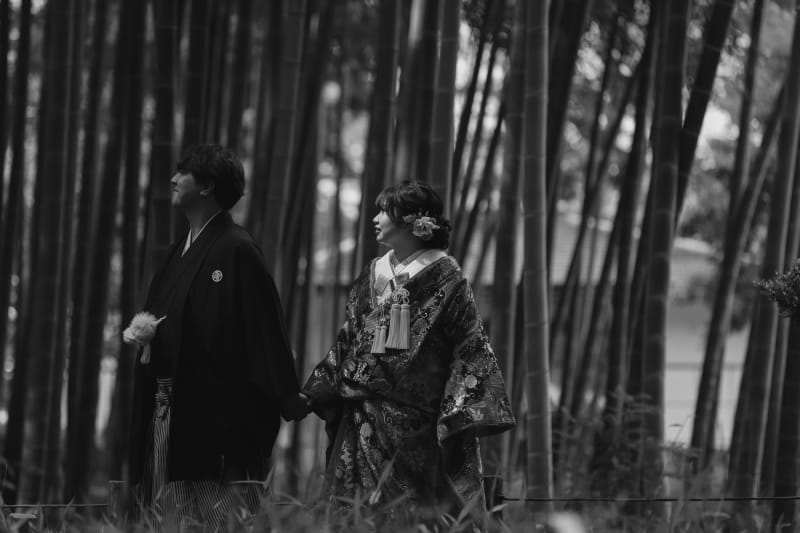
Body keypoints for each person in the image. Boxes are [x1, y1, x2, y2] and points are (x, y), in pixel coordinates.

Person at [303, 180, 515, 526]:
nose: (375, 218)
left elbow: (470, 347)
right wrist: (317, 389)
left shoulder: (449, 280)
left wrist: (458, 413)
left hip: (417, 423)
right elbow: (349, 338)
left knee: (411, 512)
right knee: (359, 511)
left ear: (413, 221)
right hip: (362, 414)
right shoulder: (373, 273)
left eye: (384, 211)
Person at [125, 144, 309, 529]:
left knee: (215, 517)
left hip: (216, 418)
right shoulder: (177, 252)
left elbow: (264, 330)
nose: (173, 179)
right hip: (167, 410)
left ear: (207, 186)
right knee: (166, 516)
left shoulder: (238, 249)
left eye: (183, 173)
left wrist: (285, 395)